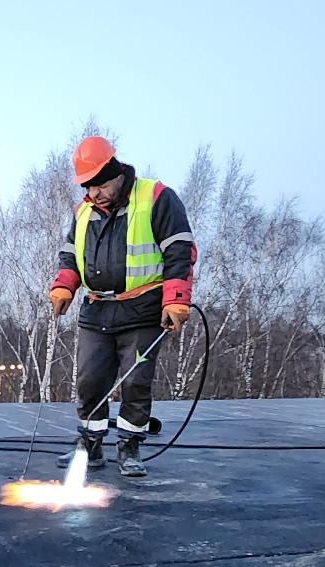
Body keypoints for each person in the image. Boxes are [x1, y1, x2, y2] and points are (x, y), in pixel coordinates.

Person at [49, 137, 195, 477]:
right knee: (90, 380)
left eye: (99, 185)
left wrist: (176, 300)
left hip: (143, 309)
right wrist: (64, 285)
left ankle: (129, 446)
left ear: (116, 174)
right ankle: (91, 445)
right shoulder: (84, 211)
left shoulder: (156, 197)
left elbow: (179, 251)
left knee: (136, 382)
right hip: (97, 309)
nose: (93, 193)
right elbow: (71, 253)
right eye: (87, 186)